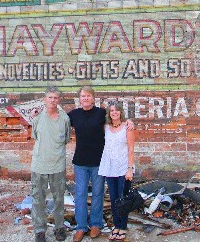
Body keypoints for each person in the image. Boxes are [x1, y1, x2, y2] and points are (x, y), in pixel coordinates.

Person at [68, 86, 134, 242]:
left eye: (88, 96)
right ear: (80, 98)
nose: (85, 98)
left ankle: (96, 224)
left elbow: (116, 117)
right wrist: (36, 114)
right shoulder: (73, 115)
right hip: (80, 162)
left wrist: (129, 121)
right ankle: (81, 227)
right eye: (83, 96)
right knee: (80, 195)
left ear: (93, 98)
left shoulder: (100, 113)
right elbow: (56, 118)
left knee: (98, 194)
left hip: (99, 162)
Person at [30, 86, 71, 242]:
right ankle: (40, 230)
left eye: (55, 98)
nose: (52, 100)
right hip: (39, 165)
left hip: (57, 165)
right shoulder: (38, 118)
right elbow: (35, 137)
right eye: (50, 97)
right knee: (38, 198)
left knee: (59, 198)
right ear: (44, 100)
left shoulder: (64, 119)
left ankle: (59, 228)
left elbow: (66, 139)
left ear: (59, 100)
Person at [98, 101, 135, 241]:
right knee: (114, 199)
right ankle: (116, 226)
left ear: (121, 112)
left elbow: (131, 149)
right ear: (109, 113)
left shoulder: (128, 127)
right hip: (109, 167)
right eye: (111, 110)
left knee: (123, 198)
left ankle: (123, 227)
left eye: (116, 110)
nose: (114, 112)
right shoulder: (106, 127)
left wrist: (130, 169)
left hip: (123, 167)